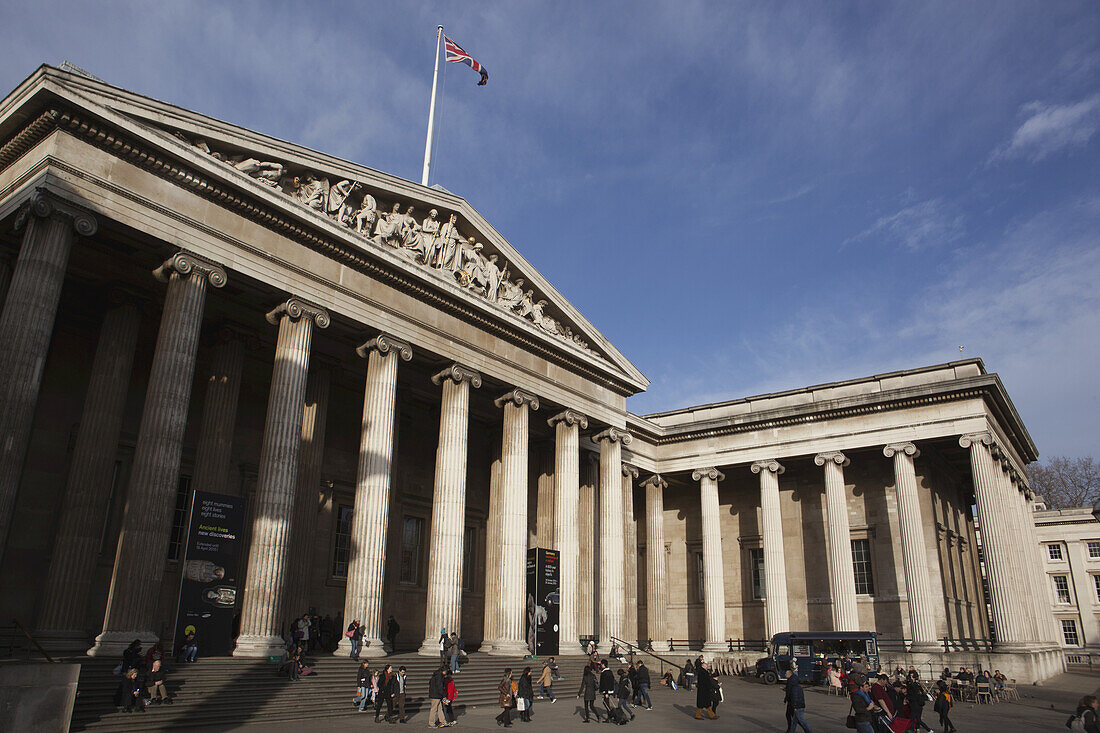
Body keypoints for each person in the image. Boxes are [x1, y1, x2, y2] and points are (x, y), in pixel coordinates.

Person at [784, 668, 812, 733]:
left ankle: (809, 731)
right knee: (794, 721)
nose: (785, 675)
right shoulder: (797, 686)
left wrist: (795, 707)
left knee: (801, 720)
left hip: (797, 706)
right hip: (797, 705)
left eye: (786, 674)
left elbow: (795, 697)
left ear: (789, 674)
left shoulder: (794, 688)